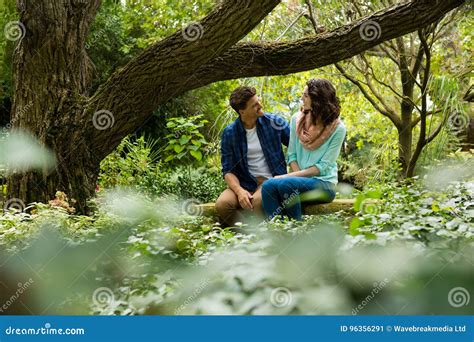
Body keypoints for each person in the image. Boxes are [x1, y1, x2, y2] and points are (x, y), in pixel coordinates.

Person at [262, 78, 346, 220]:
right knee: (268, 187)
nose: (302, 98)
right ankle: (278, 234)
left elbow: (323, 166)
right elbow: (292, 155)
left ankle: (296, 233)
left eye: (306, 95)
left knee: (286, 185)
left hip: (324, 185)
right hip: (297, 183)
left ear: (318, 99)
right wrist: (298, 180)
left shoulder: (338, 128)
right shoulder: (297, 119)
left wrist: (288, 178)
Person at [216, 86, 290, 227]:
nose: (260, 105)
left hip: (270, 182)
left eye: (258, 100)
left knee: (258, 202)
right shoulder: (229, 133)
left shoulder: (274, 122)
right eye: (255, 104)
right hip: (243, 183)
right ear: (242, 111)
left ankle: (263, 239)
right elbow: (228, 170)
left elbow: (297, 145)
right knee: (223, 204)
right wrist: (239, 191)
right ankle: (247, 236)